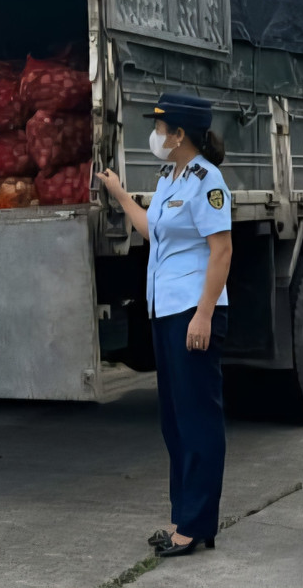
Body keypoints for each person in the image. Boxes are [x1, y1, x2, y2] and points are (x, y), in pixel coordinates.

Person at [97, 93, 233, 559]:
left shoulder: (207, 182)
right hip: (165, 311)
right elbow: (154, 230)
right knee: (174, 421)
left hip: (192, 313)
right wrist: (118, 193)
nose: (154, 136)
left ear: (178, 135)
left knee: (197, 418)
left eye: (160, 128)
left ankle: (195, 526)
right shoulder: (170, 177)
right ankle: (186, 519)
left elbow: (222, 250)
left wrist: (205, 313)